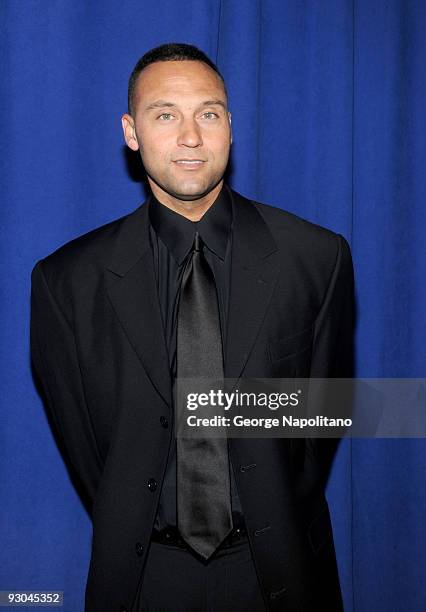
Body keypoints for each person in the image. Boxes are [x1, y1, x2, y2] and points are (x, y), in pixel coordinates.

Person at [30, 43, 355, 612]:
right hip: (142, 581)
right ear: (131, 132)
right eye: (165, 115)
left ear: (230, 125)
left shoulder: (316, 258)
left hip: (280, 577)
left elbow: (319, 427)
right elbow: (87, 449)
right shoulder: (66, 282)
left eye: (207, 113)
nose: (190, 137)